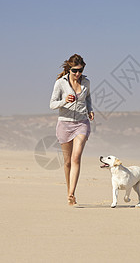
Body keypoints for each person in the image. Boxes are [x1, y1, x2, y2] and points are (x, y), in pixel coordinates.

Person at [50, 54, 94, 205]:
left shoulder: (86, 82)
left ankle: (71, 193)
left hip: (82, 123)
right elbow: (52, 104)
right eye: (74, 70)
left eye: (80, 70)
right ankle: (70, 192)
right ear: (69, 69)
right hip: (64, 124)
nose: (77, 74)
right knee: (67, 162)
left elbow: (88, 98)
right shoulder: (60, 83)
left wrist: (90, 110)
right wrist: (64, 101)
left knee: (76, 158)